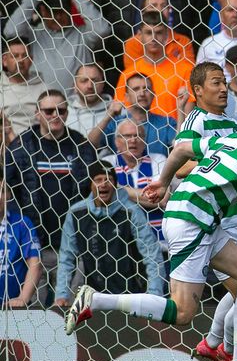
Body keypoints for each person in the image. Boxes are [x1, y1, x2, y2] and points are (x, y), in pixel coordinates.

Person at [66, 96, 237, 361]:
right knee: (182, 312)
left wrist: (163, 182)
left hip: (198, 217)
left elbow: (182, 149)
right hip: (192, 220)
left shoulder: (232, 139)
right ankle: (96, 300)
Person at [5, 89, 97, 306]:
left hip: (71, 244)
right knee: (35, 311)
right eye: (48, 111)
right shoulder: (21, 145)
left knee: (69, 309)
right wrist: (23, 230)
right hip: (35, 245)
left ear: (67, 113)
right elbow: (8, 189)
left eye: (61, 110)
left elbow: (91, 189)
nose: (55, 115)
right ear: (37, 113)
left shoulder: (80, 145)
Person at [54, 162, 164, 308]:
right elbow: (66, 257)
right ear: (90, 184)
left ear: (115, 184)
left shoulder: (131, 211)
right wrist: (61, 294)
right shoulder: (76, 213)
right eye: (98, 179)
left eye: (108, 179)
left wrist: (154, 295)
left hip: (132, 295)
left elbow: (152, 254)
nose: (104, 184)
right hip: (95, 296)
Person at [3, 0, 110, 95]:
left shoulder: (82, 34)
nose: (58, 17)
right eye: (53, 12)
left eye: (62, 11)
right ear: (43, 11)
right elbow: (10, 32)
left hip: (77, 103)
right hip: (40, 103)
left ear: (70, 10)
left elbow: (103, 30)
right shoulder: (34, 35)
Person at [115, 10, 195, 120]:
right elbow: (121, 115)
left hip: (175, 130)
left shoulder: (185, 70)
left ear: (166, 35)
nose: (153, 38)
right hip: (138, 130)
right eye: (148, 33)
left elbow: (189, 118)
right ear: (140, 35)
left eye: (159, 33)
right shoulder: (128, 74)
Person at [104, 118, 166, 245]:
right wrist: (145, 197)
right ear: (116, 141)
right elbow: (106, 198)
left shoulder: (158, 160)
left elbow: (161, 200)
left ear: (144, 140)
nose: (133, 140)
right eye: (127, 136)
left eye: (138, 135)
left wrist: (117, 189)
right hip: (120, 241)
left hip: (158, 241)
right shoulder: (107, 162)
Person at [92, 73, 177, 157]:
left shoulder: (166, 123)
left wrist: (181, 109)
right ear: (127, 97)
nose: (142, 94)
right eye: (136, 89)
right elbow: (90, 145)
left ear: (153, 95)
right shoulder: (115, 123)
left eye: (146, 89)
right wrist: (108, 116)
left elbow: (179, 145)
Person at [0, 178, 43, 308]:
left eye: (2, 191)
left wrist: (23, 298)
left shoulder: (22, 223)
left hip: (12, 306)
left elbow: (35, 264)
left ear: (9, 195)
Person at [0, 39, 52, 135]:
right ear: (4, 60)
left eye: (25, 56)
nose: (21, 60)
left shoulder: (44, 89)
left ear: (31, 59)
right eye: (15, 56)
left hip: (38, 139)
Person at [66, 64, 111, 138]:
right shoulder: (63, 112)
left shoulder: (116, 112)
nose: (90, 86)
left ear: (103, 84)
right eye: (84, 81)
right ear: (75, 86)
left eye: (95, 81)